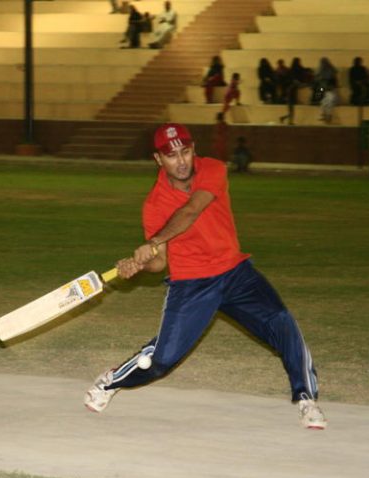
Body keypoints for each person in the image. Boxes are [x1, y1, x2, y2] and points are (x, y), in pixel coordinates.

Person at [84, 123, 326, 430]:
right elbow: (161, 264)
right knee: (162, 360)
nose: (181, 161)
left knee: (282, 323)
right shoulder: (154, 204)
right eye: (171, 155)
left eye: (185, 151)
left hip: (235, 273)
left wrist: (153, 243)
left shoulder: (212, 168)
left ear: (194, 148)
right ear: (158, 159)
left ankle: (307, 399)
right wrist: (141, 264)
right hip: (192, 283)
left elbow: (191, 210)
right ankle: (111, 381)